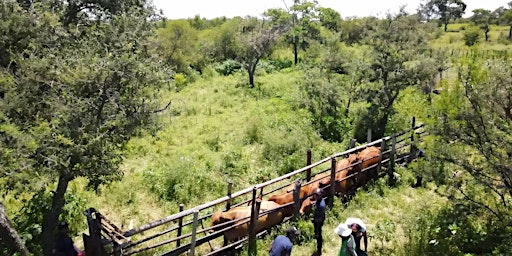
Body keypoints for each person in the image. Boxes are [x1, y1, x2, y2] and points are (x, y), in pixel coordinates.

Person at [312, 188, 326, 256]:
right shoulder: (319, 201)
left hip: (318, 221)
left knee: (318, 235)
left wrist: (314, 220)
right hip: (318, 220)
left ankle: (319, 250)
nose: (316, 196)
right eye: (316, 195)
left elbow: (319, 216)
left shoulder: (321, 206)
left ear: (321, 195)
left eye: (318, 195)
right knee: (317, 234)